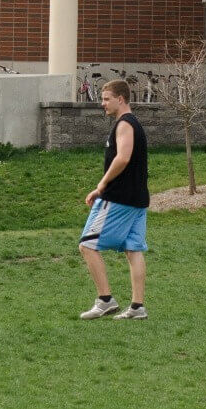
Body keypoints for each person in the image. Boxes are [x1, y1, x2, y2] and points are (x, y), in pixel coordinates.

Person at [77, 80, 152, 320]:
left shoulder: (125, 124)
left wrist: (101, 185)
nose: (103, 103)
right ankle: (137, 307)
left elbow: (123, 158)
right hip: (137, 199)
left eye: (107, 98)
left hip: (119, 198)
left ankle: (105, 300)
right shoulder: (133, 123)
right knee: (133, 250)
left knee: (87, 245)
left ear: (121, 99)